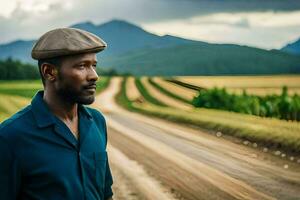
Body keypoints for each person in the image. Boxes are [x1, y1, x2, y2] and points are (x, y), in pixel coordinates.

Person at [0, 28, 114, 200]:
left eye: (94, 65)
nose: (94, 76)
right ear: (49, 72)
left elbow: (105, 193)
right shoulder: (10, 136)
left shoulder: (97, 121)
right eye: (82, 66)